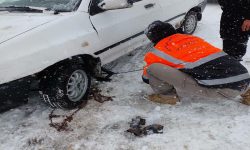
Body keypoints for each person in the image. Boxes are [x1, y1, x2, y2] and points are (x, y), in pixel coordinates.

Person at [142, 21, 250, 103]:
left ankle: (168, 97)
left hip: (222, 90)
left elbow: (146, 78)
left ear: (153, 39)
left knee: (153, 68)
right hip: (244, 79)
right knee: (207, 66)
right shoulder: (192, 39)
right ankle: (247, 94)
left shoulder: (157, 52)